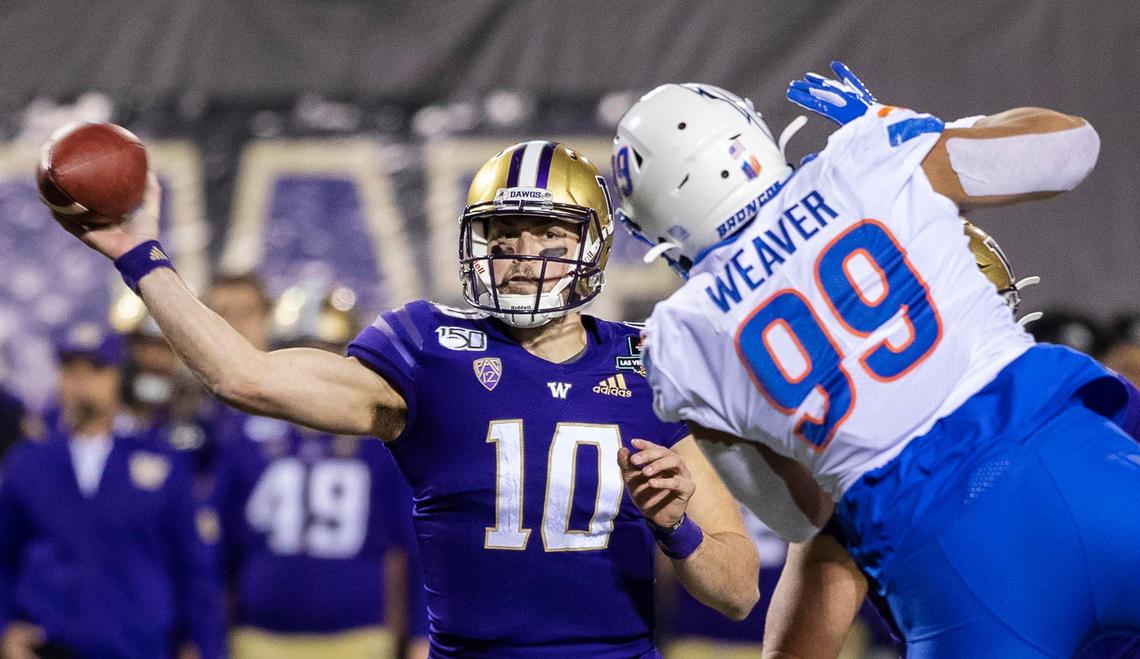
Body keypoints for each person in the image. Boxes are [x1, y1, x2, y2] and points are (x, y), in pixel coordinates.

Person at [46, 141, 760, 657]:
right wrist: (143, 258)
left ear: (594, 247)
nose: (522, 253)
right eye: (502, 233)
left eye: (548, 231)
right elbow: (245, 376)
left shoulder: (649, 360)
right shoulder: (427, 348)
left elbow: (736, 590)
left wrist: (678, 529)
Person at [611, 62, 1140, 655]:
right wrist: (914, 133)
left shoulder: (681, 343)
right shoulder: (864, 161)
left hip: (947, 567)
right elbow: (1071, 147)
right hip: (1075, 468)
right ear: (750, 135)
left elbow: (800, 516)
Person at [213, 280, 429, 658]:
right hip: (258, 639)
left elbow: (410, 549)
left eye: (327, 354)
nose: (313, 371)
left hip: (358, 640)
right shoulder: (241, 435)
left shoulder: (380, 442)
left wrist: (418, 634)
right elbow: (221, 551)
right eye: (300, 352)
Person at [0, 323, 224, 659]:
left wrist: (203, 645)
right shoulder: (29, 462)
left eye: (96, 369)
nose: (82, 381)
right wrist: (4, 631)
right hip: (49, 647)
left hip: (140, 648)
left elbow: (193, 566)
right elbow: (4, 557)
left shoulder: (162, 461)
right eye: (70, 369)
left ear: (121, 376)